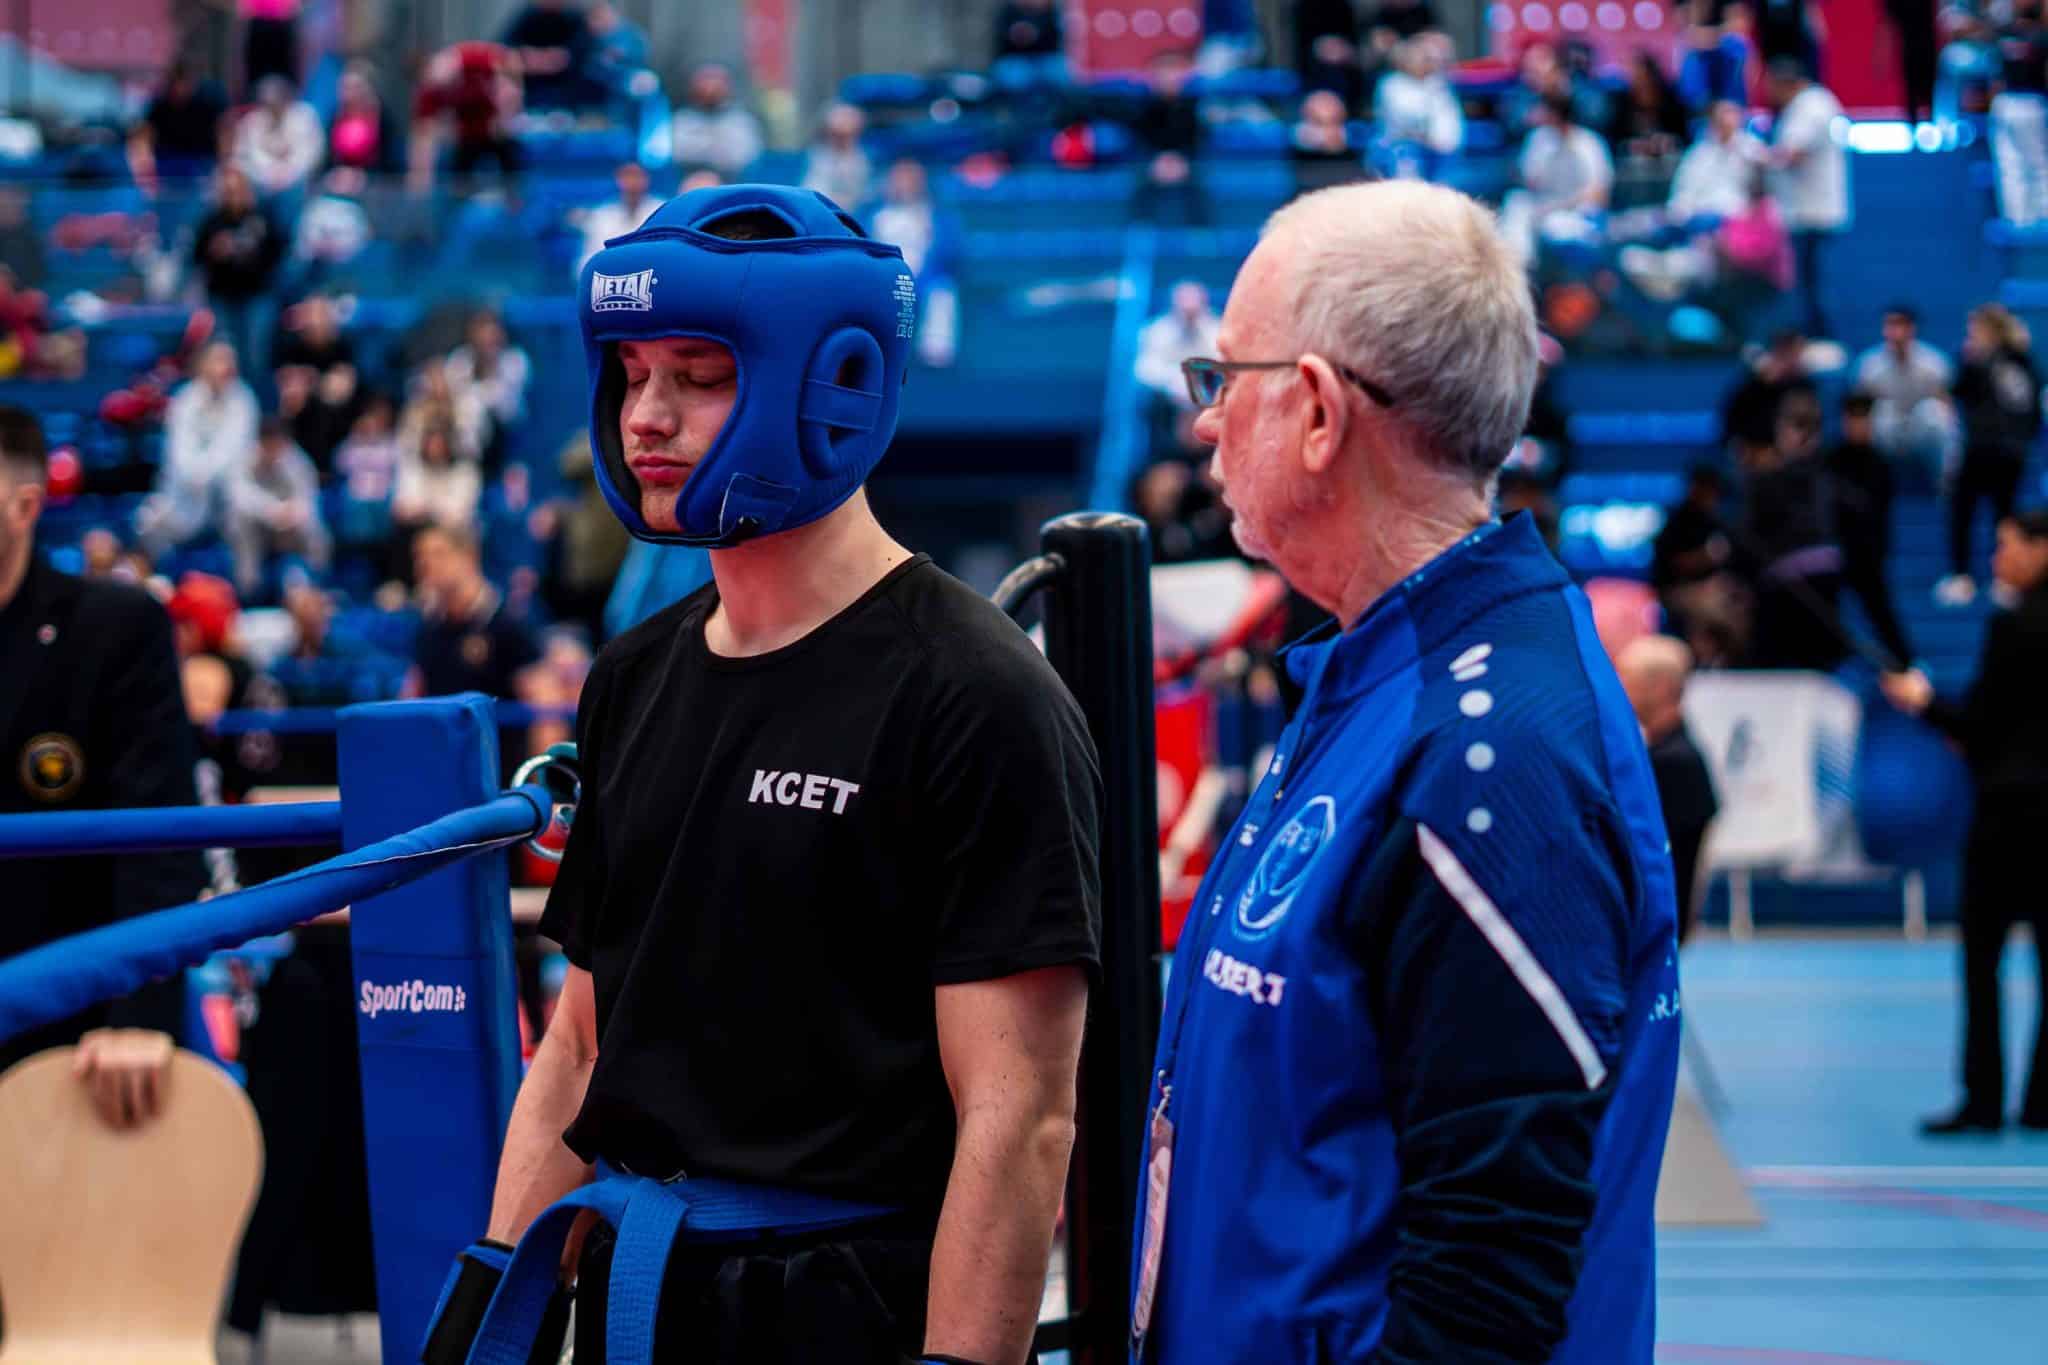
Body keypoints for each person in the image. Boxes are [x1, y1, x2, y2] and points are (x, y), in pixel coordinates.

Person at [426, 184, 1102, 1365]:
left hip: (844, 1313)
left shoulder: (975, 694)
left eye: (697, 377)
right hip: (641, 1301)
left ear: (829, 385)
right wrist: (491, 1321)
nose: (646, 417)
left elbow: (1019, 1121)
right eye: (633, 374)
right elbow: (578, 1049)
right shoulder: (633, 675)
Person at [1132, 181, 1680, 1363]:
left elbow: (1487, 1289)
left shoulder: (1487, 758)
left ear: (1316, 412)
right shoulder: (1383, 676)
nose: (1205, 424)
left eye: (1224, 379)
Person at [0, 406, 206, 1119]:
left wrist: (139, 1013)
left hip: (74, 1042)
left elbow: (160, 839)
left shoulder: (114, 629)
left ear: (25, 506)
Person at [1881, 509, 2048, 1134]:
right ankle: (2041, 1102)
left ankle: (1983, 1101)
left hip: (2009, 818)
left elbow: (1981, 726)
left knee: (1983, 962)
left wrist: (1924, 703)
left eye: (2007, 545)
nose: (1997, 558)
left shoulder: (2013, 625)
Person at [1617, 635, 1720, 941]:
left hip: (1651, 929)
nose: (1619, 690)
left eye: (1628, 681)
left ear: (1661, 688)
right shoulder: (1665, 755)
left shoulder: (1673, 763)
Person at [1942, 302, 2042, 604]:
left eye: (1975, 330)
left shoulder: (1986, 361)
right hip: (2008, 450)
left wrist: (1970, 359)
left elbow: (1956, 391)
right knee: (1999, 513)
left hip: (1988, 448)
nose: (1971, 335)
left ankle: (1967, 576)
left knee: (1970, 511)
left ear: (1989, 330)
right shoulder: (2024, 360)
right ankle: (1992, 580)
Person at [1761, 58, 1848, 339]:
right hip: (1805, 209)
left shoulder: (1811, 106)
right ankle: (1814, 331)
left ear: (1784, 84)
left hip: (1813, 212)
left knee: (1813, 281)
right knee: (1809, 280)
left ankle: (1821, 335)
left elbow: (1793, 154)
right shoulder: (1810, 104)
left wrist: (1758, 157)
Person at [1827, 391, 1916, 668]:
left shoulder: (1879, 462)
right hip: (1833, 548)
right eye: (1853, 419)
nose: (1858, 425)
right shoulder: (1831, 460)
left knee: (1879, 609)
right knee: (1823, 607)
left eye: (1863, 419)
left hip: (1867, 550)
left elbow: (1878, 510)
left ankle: (1905, 662)